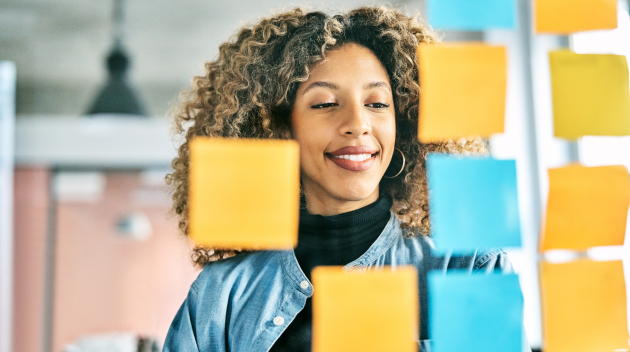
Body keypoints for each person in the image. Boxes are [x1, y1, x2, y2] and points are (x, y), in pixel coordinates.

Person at [164, 6, 518, 352]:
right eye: (325, 103)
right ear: (280, 129)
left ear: (405, 123)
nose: (358, 122)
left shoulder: (469, 268)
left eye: (377, 103)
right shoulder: (219, 296)